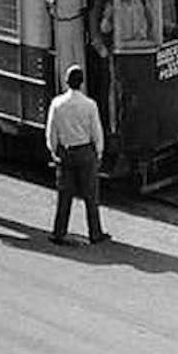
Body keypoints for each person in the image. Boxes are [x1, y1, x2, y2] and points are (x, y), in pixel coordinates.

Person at [45, 65, 109, 246]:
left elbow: (51, 131)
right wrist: (99, 152)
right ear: (82, 83)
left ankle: (59, 232)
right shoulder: (89, 105)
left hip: (66, 152)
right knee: (91, 195)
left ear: (66, 82)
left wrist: (53, 150)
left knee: (64, 195)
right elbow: (96, 131)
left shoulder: (57, 104)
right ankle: (95, 233)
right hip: (85, 152)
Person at [45, 0, 89, 84]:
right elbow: (50, 1)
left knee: (79, 57)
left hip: (76, 22)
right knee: (64, 58)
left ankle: (82, 89)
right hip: (61, 22)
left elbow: (83, 6)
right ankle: (66, 88)